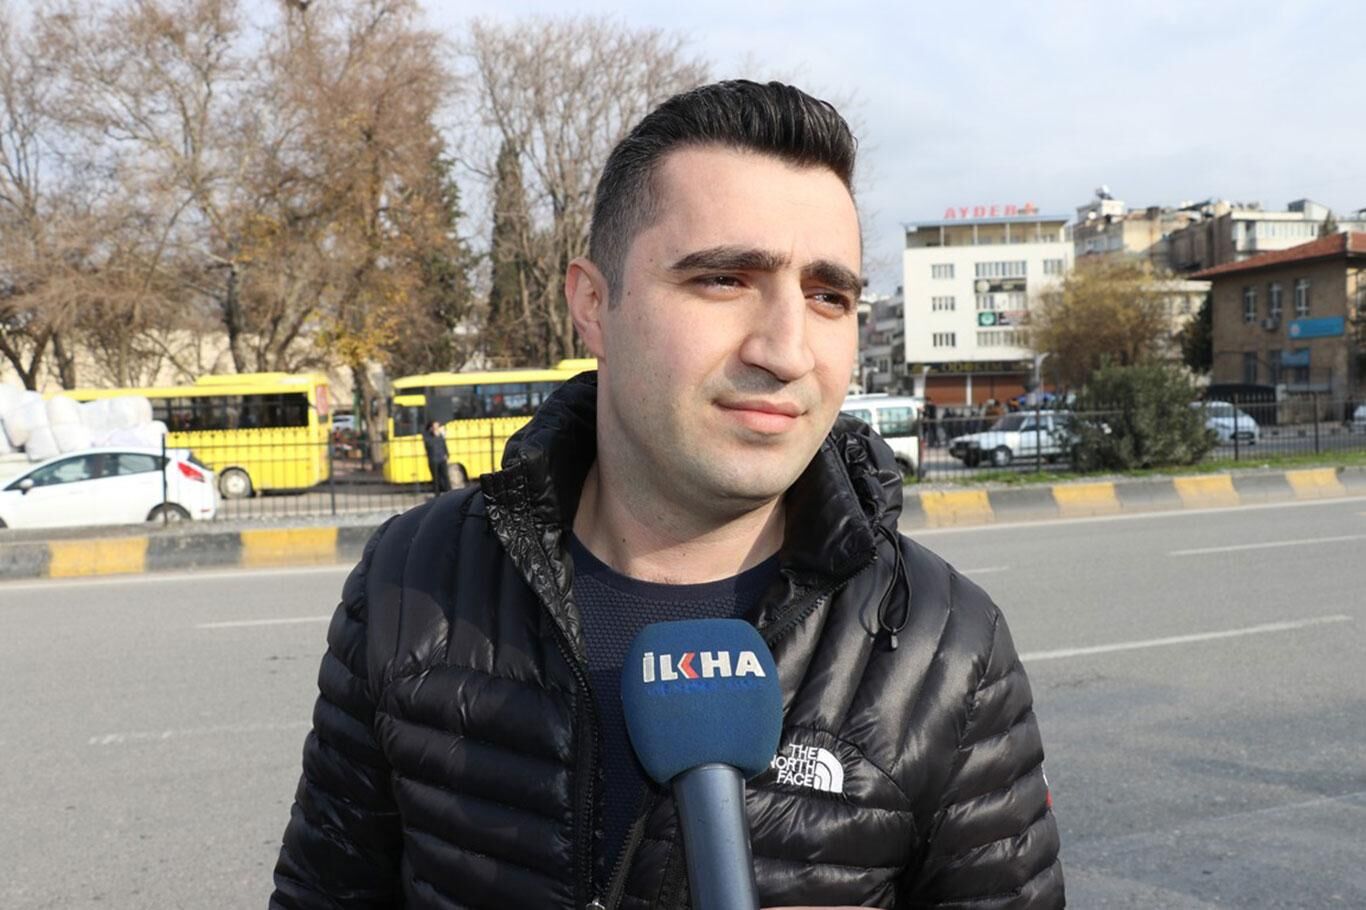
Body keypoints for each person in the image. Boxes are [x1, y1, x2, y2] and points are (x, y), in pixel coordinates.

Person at [272, 80, 1063, 909]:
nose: (788, 351)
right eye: (723, 279)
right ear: (592, 304)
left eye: (828, 296)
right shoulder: (414, 577)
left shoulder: (948, 645)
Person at [420, 419, 450, 494]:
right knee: (436, 479)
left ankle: (449, 492)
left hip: (442, 459)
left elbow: (444, 445)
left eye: (437, 426)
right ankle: (437, 494)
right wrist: (434, 435)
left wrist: (447, 454)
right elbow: (429, 445)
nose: (437, 428)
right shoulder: (426, 436)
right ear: (431, 428)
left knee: (445, 477)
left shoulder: (440, 435)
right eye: (435, 427)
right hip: (433, 460)